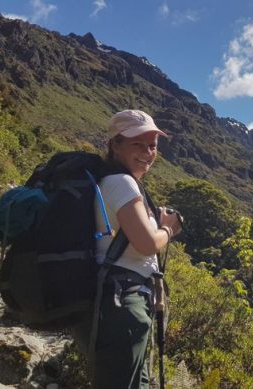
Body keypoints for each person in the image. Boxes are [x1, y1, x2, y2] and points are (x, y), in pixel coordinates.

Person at [73, 109, 183, 389]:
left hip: (118, 300)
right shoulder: (121, 183)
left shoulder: (113, 183)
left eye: (152, 145)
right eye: (137, 144)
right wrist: (168, 228)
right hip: (123, 304)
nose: (148, 152)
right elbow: (146, 244)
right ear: (115, 144)